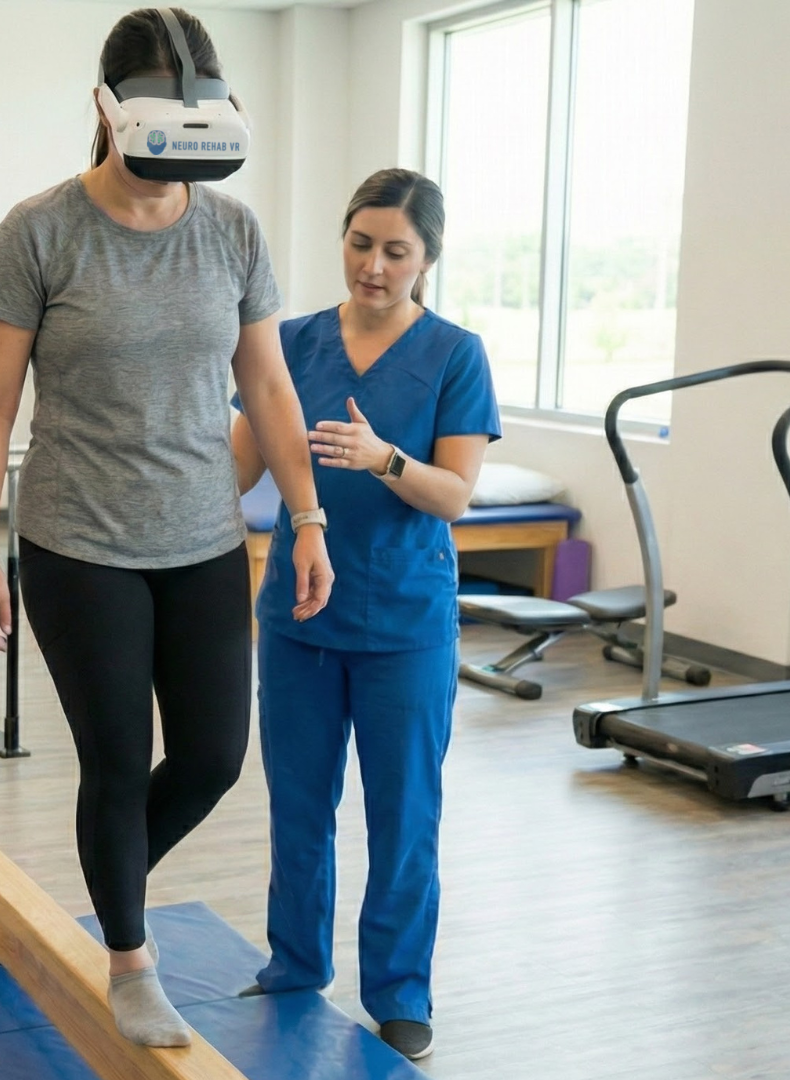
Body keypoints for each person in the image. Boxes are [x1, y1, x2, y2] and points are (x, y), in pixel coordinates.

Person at [0, 6, 334, 1049]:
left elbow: (268, 385)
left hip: (204, 536)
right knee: (118, 765)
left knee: (212, 757)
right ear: (110, 110)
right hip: (78, 542)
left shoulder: (233, 230)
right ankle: (130, 956)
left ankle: (109, 870)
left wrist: (307, 518)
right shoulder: (39, 232)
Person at [231, 168, 500, 1062]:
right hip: (300, 618)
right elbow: (235, 468)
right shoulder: (293, 341)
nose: (373, 266)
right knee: (298, 807)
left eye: (395, 251)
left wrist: (384, 458)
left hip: (405, 627)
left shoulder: (455, 355)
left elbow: (454, 495)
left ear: (427, 260)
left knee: (403, 815)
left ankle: (400, 993)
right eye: (359, 244)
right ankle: (295, 966)